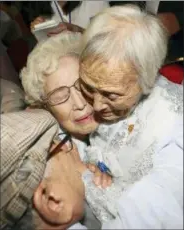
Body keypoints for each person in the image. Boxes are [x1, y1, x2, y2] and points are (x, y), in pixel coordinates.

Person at [77, 4, 183, 229]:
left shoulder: (174, 129)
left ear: (147, 80)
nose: (95, 105)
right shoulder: (100, 89)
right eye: (88, 87)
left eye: (111, 95)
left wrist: (82, 176)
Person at [20, 31, 112, 229]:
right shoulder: (48, 158)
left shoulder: (124, 117)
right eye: (60, 96)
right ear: (45, 106)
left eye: (82, 86)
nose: (79, 104)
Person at [30, 1, 109, 37]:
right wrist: (38, 31)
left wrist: (76, 29)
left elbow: (108, 38)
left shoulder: (96, 3)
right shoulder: (43, 7)